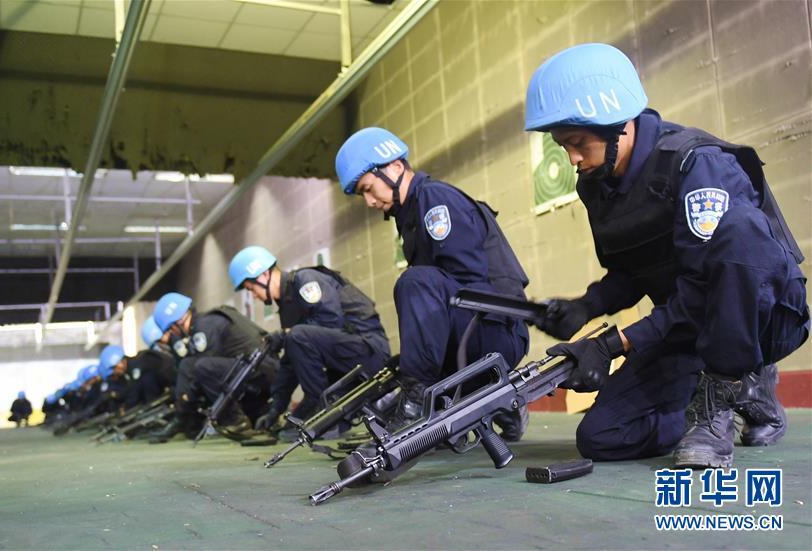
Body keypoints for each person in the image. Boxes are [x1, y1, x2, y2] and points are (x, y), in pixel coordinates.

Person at [523, 42, 809, 467]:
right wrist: (586, 306)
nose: (572, 159)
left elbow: (704, 288)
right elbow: (632, 272)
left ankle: (736, 383)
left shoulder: (697, 164)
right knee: (602, 438)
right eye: (562, 146)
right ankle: (721, 395)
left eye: (578, 142)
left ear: (618, 125)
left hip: (761, 318)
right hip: (684, 327)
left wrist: (615, 343)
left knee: (740, 231)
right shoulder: (596, 185)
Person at [334, 128, 531, 436]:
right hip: (480, 327)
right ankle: (501, 405)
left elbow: (470, 286)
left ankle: (419, 405)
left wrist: (425, 374)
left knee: (415, 282)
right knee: (407, 356)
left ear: (396, 168)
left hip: (496, 330)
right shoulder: (410, 214)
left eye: (369, 189)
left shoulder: (434, 199)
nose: (370, 202)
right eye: (363, 195)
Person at [228, 246, 391, 433]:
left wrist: (286, 334)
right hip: (346, 361)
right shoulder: (287, 305)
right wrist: (276, 409)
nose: (254, 296)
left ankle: (319, 406)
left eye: (251, 289)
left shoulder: (305, 280)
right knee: (293, 427)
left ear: (264, 275)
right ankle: (321, 409)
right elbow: (290, 363)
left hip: (370, 353)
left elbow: (331, 322)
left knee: (297, 335)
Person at [152, 292, 278, 442]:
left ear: (177, 323)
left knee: (203, 367)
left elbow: (205, 369)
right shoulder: (207, 322)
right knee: (191, 364)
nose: (173, 334)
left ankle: (236, 422)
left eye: (171, 330)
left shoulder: (203, 327)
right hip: (260, 370)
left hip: (262, 372)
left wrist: (188, 397)